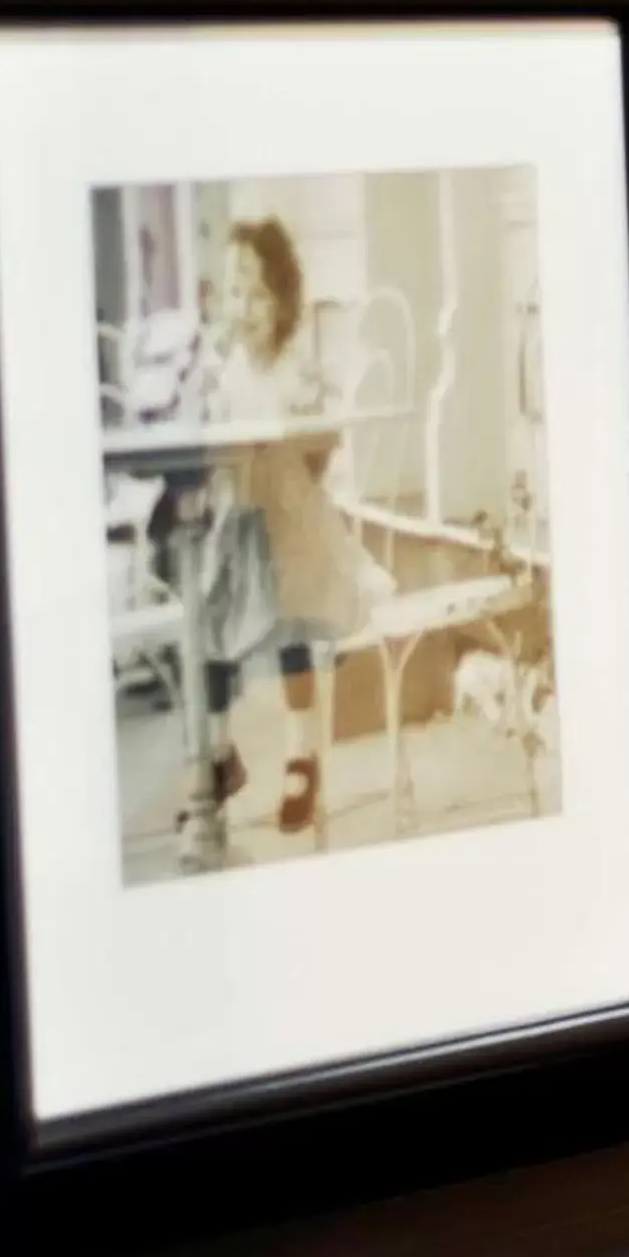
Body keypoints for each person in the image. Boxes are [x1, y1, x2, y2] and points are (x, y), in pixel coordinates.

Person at [177, 214, 392, 871]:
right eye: (235, 293)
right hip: (239, 532)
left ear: (285, 301)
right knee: (208, 624)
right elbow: (210, 445)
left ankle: (302, 756)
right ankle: (218, 753)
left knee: (295, 626)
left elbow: (323, 442)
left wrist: (303, 438)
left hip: (291, 531)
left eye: (259, 293)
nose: (245, 308)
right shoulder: (224, 371)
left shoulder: (295, 371)